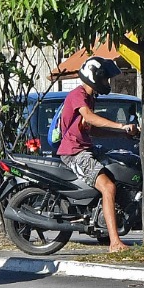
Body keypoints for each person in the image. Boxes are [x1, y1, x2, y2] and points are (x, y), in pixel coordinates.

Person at [57, 57, 139, 253]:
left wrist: (123, 134)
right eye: (104, 79)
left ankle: (106, 221)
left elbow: (92, 130)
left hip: (86, 148)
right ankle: (114, 243)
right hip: (74, 152)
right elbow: (90, 117)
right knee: (108, 187)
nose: (106, 83)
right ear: (94, 77)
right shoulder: (79, 95)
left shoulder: (90, 98)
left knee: (118, 171)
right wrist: (121, 125)